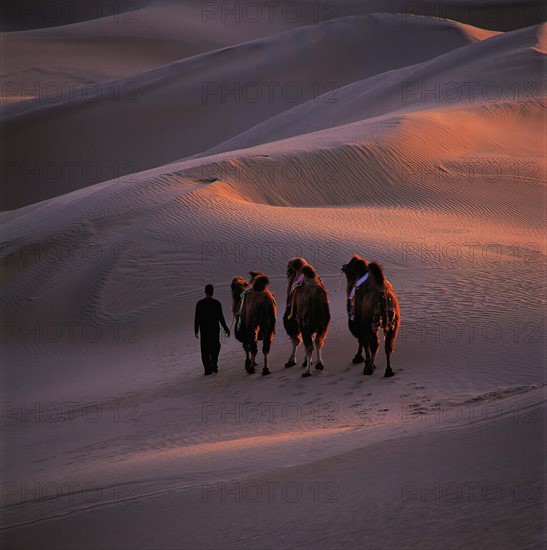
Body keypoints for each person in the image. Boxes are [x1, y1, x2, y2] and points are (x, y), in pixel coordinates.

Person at [194, 284, 230, 375]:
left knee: (205, 349)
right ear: (212, 292)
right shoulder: (216, 303)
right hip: (214, 329)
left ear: (205, 292)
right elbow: (221, 318)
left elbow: (197, 318)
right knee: (216, 346)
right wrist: (226, 328)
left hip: (204, 330)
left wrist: (196, 330)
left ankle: (207, 369)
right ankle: (214, 362)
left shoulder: (200, 303)